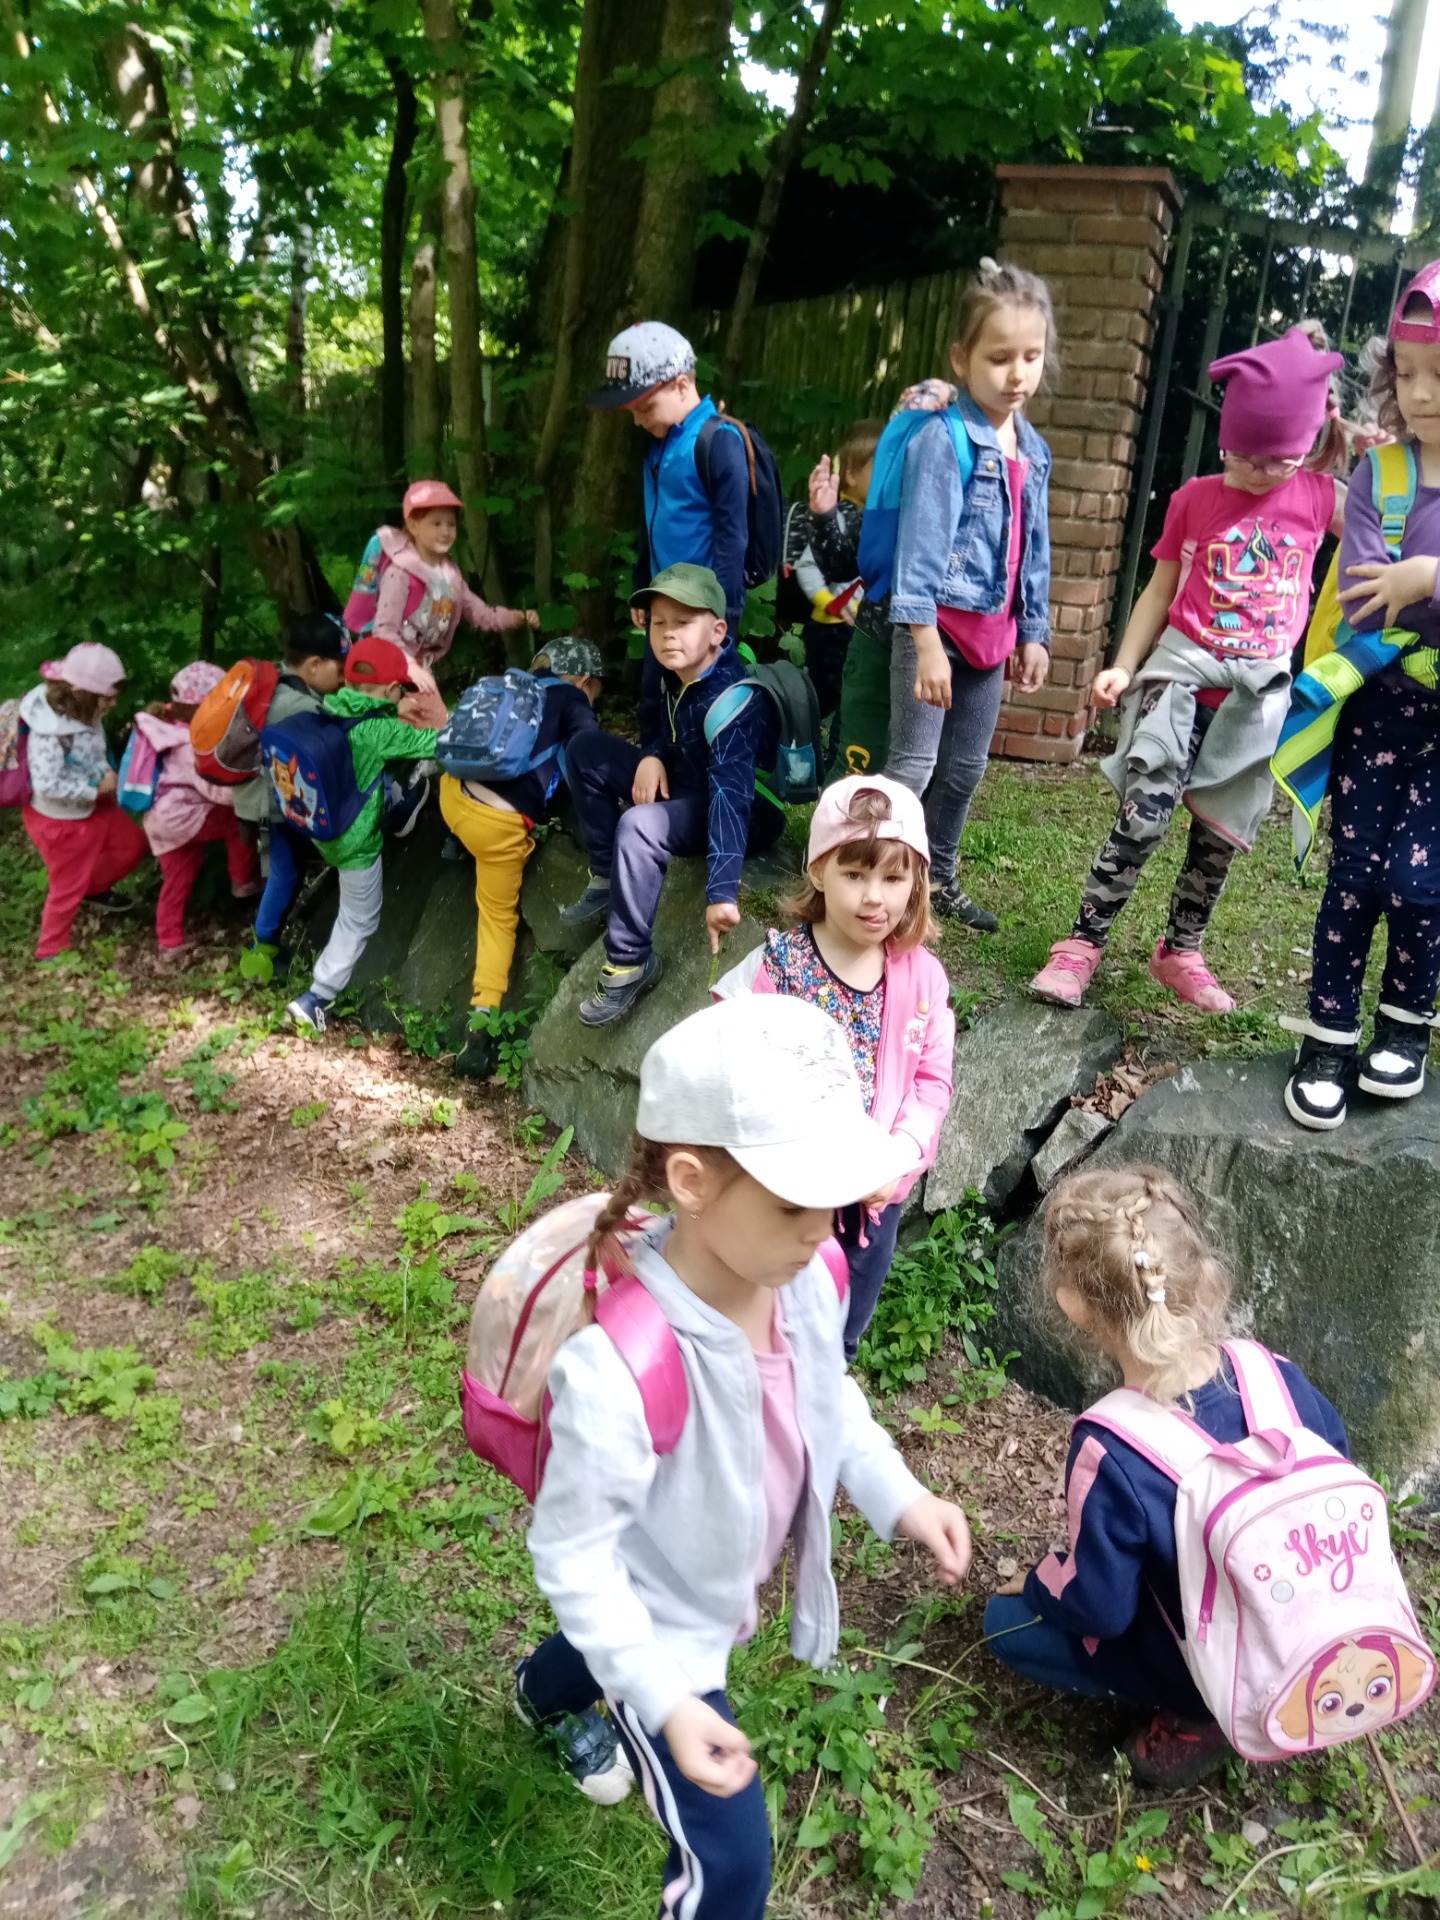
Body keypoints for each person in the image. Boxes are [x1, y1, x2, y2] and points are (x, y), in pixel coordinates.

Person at [519, 993, 972, 1917]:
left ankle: (540, 1691)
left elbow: (827, 1396)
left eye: (834, 1198)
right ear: (691, 1182)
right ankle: (599, 1693)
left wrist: (898, 1492)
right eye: (795, 1202)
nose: (823, 1227)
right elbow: (575, 1558)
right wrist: (667, 1700)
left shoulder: (803, 1279)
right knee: (731, 1865)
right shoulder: (620, 1370)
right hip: (668, 1631)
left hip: (696, 1576)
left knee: (591, 1648)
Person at [983, 1164, 1349, 1790]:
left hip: (1218, 1661)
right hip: (1317, 1624)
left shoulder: (1111, 1447)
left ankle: (1202, 1713)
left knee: (1003, 1624)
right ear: (1198, 1274)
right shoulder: (1271, 1371)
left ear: (1075, 1307)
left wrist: (1041, 1582)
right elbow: (1336, 1458)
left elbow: (1102, 1609)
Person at [1032, 325, 1348, 1014]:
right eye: (1241, 456)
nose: (1255, 472)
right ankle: (1081, 944)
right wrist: (1124, 667)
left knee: (1219, 836)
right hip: (1178, 683)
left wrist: (1371, 450)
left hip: (1255, 699)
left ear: (1306, 447)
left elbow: (1391, 525)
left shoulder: (1321, 497)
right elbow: (1157, 591)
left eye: (1275, 461)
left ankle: (1180, 950)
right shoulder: (1195, 499)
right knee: (1143, 818)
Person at [713, 775, 954, 1360]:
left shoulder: (923, 978)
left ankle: (830, 1375)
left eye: (893, 879)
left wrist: (898, 1159)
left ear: (916, 881)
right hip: (788, 1191)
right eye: (855, 875)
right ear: (820, 870)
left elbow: (931, 1083)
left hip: (873, 1198)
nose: (875, 898)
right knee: (768, 1316)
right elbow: (728, 1057)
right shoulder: (779, 968)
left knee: (844, 1321)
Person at [1282, 265, 1440, 1125]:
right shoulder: (1380, 475)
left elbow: (1402, 591)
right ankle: (1328, 1037)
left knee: (1420, 882)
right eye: (1406, 375)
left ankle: (1406, 1027)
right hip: (1376, 711)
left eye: (1438, 375)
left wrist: (1426, 578)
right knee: (1353, 874)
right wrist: (1407, 593)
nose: (1420, 394)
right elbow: (1364, 598)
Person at [887, 261, 1057, 932]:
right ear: (961, 359)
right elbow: (920, 545)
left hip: (992, 638)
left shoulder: (1033, 449)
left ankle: (939, 880)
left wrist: (1034, 630)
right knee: (913, 765)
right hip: (937, 633)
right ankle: (876, 879)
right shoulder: (943, 439)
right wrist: (924, 640)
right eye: (999, 358)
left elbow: (1035, 547)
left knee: (964, 770)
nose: (1017, 374)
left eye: (1031, 357)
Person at [559, 563, 783, 1028]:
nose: (667, 634)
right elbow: (669, 733)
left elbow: (731, 797)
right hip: (689, 782)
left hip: (749, 810)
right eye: (659, 622)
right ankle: (608, 875)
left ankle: (629, 962)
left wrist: (721, 892)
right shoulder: (675, 674)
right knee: (585, 750)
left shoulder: (735, 700)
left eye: (683, 622)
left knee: (640, 825)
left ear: (717, 632)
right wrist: (652, 755)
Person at [439, 639, 605, 1078]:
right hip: (497, 825)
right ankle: (481, 1028)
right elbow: (588, 753)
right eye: (596, 692)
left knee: (470, 827)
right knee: (497, 920)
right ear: (583, 680)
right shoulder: (572, 698)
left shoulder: (510, 685)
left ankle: (455, 841)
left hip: (451, 795)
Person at [284, 636, 442, 1033]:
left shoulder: (331, 708)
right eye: (400, 690)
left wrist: (393, 710)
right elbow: (440, 743)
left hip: (323, 829)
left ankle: (399, 810)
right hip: (356, 845)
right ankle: (316, 998)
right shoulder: (379, 732)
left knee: (381, 777)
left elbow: (368, 722)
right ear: (390, 690)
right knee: (358, 920)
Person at [19, 642, 148, 960]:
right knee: (67, 886)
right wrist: (94, 789)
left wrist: (105, 771)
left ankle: (94, 888)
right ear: (82, 693)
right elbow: (47, 784)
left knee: (131, 845)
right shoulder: (50, 732)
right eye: (107, 697)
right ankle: (51, 949)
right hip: (60, 819)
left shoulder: (86, 709)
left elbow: (94, 749)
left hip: (94, 803)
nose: (113, 703)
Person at [239, 613, 349, 983]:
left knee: (289, 870)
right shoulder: (299, 707)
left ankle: (266, 945)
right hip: (274, 805)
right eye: (339, 668)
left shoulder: (277, 686)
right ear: (314, 664)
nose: (343, 678)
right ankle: (263, 954)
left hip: (264, 797)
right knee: (285, 872)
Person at [343, 479, 540, 676]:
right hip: (384, 671)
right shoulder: (400, 574)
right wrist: (410, 668)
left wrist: (517, 617)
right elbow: (384, 632)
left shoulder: (450, 577)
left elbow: (483, 615)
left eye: (451, 524)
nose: (445, 532)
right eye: (436, 524)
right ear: (413, 525)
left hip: (419, 668)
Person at [132, 661, 262, 958]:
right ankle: (244, 880)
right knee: (237, 819)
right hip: (183, 817)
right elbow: (216, 792)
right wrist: (248, 788)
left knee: (178, 879)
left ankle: (169, 941)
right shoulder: (191, 744)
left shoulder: (167, 728)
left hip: (161, 820)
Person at [787, 420, 883, 732]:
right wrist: (829, 602)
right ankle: (797, 739)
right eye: (880, 467)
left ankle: (832, 747)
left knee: (849, 697)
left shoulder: (876, 518)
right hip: (831, 628)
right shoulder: (839, 517)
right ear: (851, 475)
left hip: (858, 627)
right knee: (826, 694)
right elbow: (807, 565)